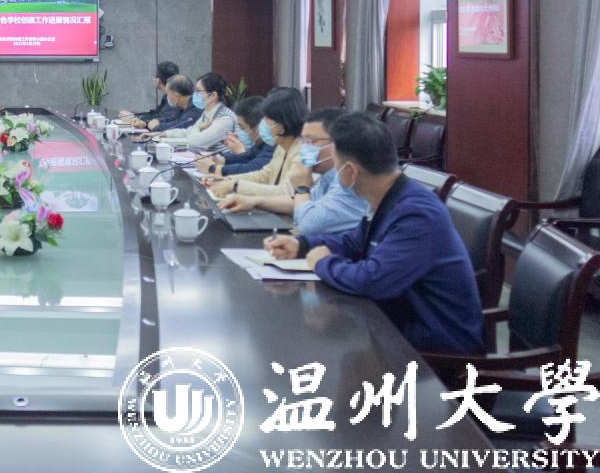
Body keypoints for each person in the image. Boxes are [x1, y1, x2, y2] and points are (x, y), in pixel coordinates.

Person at [264, 113, 484, 355]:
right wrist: (302, 245)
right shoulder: (388, 197)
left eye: (336, 165)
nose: (334, 171)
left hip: (434, 350)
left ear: (351, 171)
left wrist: (323, 263)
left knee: (317, 349)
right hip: (394, 326)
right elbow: (353, 243)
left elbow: (373, 281)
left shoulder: (417, 214)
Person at [218, 108, 367, 235]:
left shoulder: (348, 180)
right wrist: (254, 202)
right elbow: (298, 203)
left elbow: (309, 224)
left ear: (338, 143)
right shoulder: (328, 176)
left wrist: (302, 188)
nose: (305, 147)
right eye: (304, 141)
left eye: (312, 141)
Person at [206, 87, 306, 198]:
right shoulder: (281, 147)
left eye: (267, 119)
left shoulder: (301, 153)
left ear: (282, 124)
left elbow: (286, 193)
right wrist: (227, 180)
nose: (263, 124)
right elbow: (265, 175)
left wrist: (235, 185)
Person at [148, 73, 237, 151]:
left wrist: (198, 128)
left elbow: (196, 143)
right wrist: (164, 135)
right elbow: (189, 131)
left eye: (198, 91)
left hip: (221, 162)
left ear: (213, 95)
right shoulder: (208, 112)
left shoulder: (225, 118)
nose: (194, 94)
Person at [215, 96, 274, 176]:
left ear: (257, 127)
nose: (239, 132)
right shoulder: (261, 143)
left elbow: (254, 168)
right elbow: (247, 156)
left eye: (242, 127)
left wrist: (216, 169)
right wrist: (221, 159)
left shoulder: (272, 144)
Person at [118, 60, 178, 129]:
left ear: (158, 81)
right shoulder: (166, 97)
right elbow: (155, 113)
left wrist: (137, 119)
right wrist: (133, 115)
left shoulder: (173, 100)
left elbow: (162, 119)